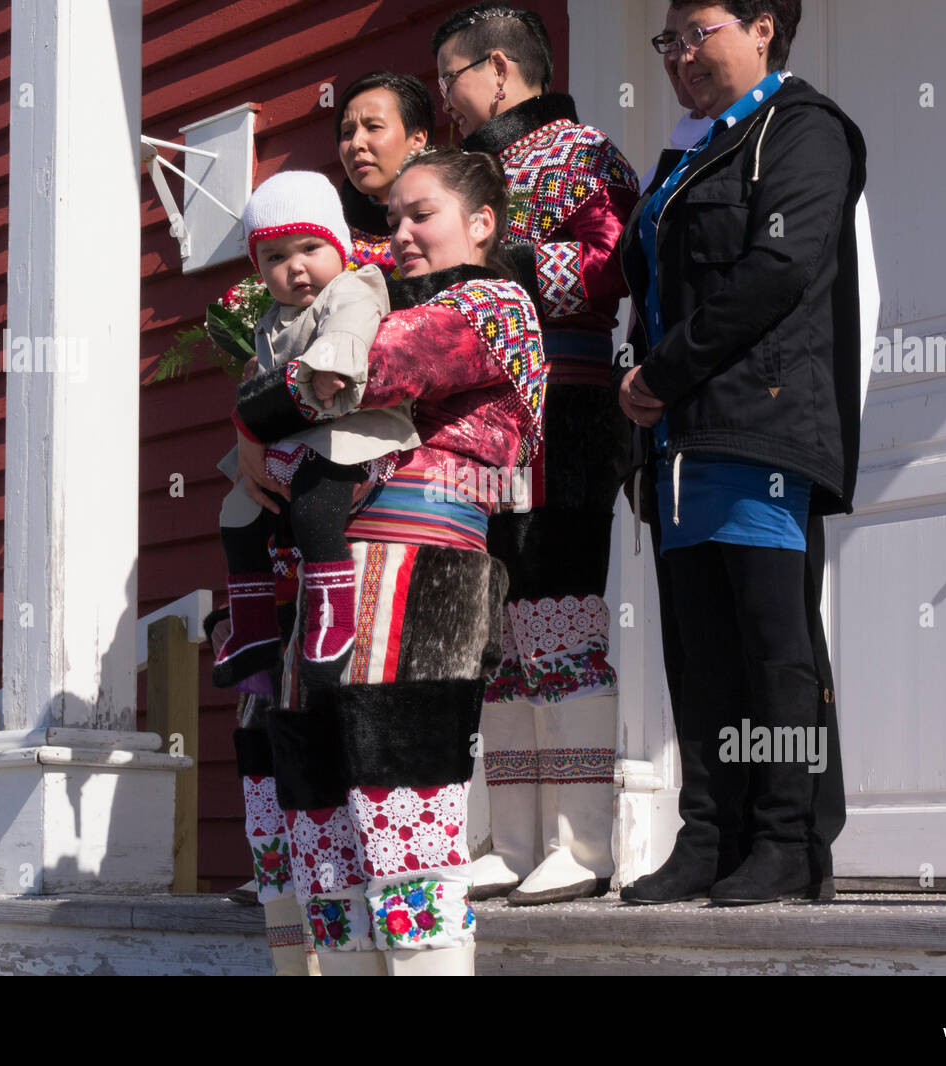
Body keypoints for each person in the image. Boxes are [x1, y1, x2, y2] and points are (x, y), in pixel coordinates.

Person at [233, 147, 545, 975]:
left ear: (482, 222)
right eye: (390, 219)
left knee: (399, 807)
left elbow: (350, 374)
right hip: (333, 579)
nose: (398, 234)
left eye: (421, 215)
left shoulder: (490, 304)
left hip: (418, 582)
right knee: (326, 817)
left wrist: (248, 417)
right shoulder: (362, 302)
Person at [615, 0, 867, 906]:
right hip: (680, 442)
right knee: (699, 649)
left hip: (759, 426)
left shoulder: (802, 131)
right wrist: (643, 384)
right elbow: (650, 289)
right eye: (668, 39)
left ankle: (788, 839)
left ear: (764, 26)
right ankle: (710, 835)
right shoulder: (684, 152)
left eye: (700, 32)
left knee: (774, 646)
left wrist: (663, 372)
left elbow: (778, 270)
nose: (680, 53)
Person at [432, 2, 640, 906]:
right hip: (490, 424)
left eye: (451, 77)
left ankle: (583, 842)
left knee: (561, 607)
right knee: (504, 627)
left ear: (501, 70)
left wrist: (499, 264)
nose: (444, 97)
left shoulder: (584, 152)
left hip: (569, 406)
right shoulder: (473, 171)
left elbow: (613, 263)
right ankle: (513, 840)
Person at [211, 170, 418, 693]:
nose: (295, 268)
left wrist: (329, 363)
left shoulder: (353, 285)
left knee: (314, 502)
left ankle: (333, 615)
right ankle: (254, 628)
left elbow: (349, 327)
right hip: (296, 437)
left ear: (340, 246)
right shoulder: (273, 320)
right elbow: (261, 385)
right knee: (238, 514)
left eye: (309, 248)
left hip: (357, 435)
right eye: (275, 258)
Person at [333, 72, 434, 275]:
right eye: (347, 132)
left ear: (417, 139)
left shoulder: (455, 221)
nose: (356, 144)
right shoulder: (328, 236)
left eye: (373, 127)